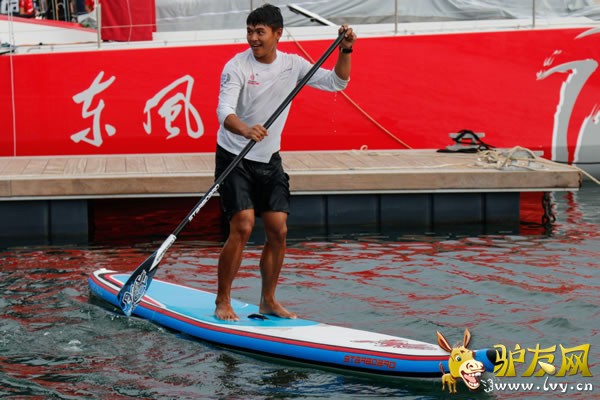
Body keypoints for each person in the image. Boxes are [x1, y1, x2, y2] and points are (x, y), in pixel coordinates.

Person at [214, 3, 356, 321]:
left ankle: (268, 301)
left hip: (268, 159)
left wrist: (345, 49)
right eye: (249, 31)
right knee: (243, 225)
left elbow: (337, 82)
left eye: (260, 32)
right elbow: (224, 112)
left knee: (278, 229)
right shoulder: (236, 67)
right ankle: (223, 300)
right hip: (234, 156)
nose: (253, 38)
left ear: (278, 34)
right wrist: (245, 129)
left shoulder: (293, 65)